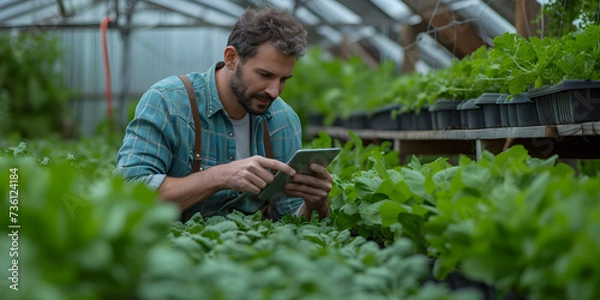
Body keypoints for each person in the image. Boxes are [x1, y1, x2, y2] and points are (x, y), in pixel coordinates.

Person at [115, 7, 333, 222]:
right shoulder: (168, 102)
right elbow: (129, 195)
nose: (274, 91)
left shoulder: (283, 121)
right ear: (231, 58)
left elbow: (288, 217)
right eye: (264, 74)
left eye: (284, 79)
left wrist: (314, 204)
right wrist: (218, 177)